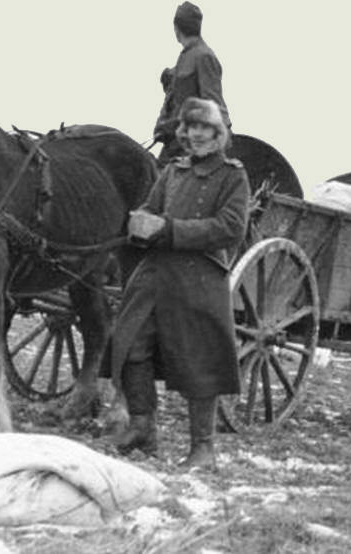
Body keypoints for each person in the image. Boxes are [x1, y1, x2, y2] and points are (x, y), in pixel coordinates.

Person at [108, 97, 249, 468]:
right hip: (155, 275)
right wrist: (140, 221)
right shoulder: (173, 171)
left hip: (198, 278)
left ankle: (203, 449)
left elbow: (231, 227)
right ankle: (142, 428)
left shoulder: (232, 176)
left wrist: (169, 229)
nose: (197, 134)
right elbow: (153, 209)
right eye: (191, 127)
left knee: (198, 362)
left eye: (205, 128)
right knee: (130, 346)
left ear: (218, 134)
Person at [153, 1, 232, 165]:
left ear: (176, 29)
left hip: (194, 142)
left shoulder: (203, 56)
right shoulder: (187, 55)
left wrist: (220, 140)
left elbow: (213, 103)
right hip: (177, 139)